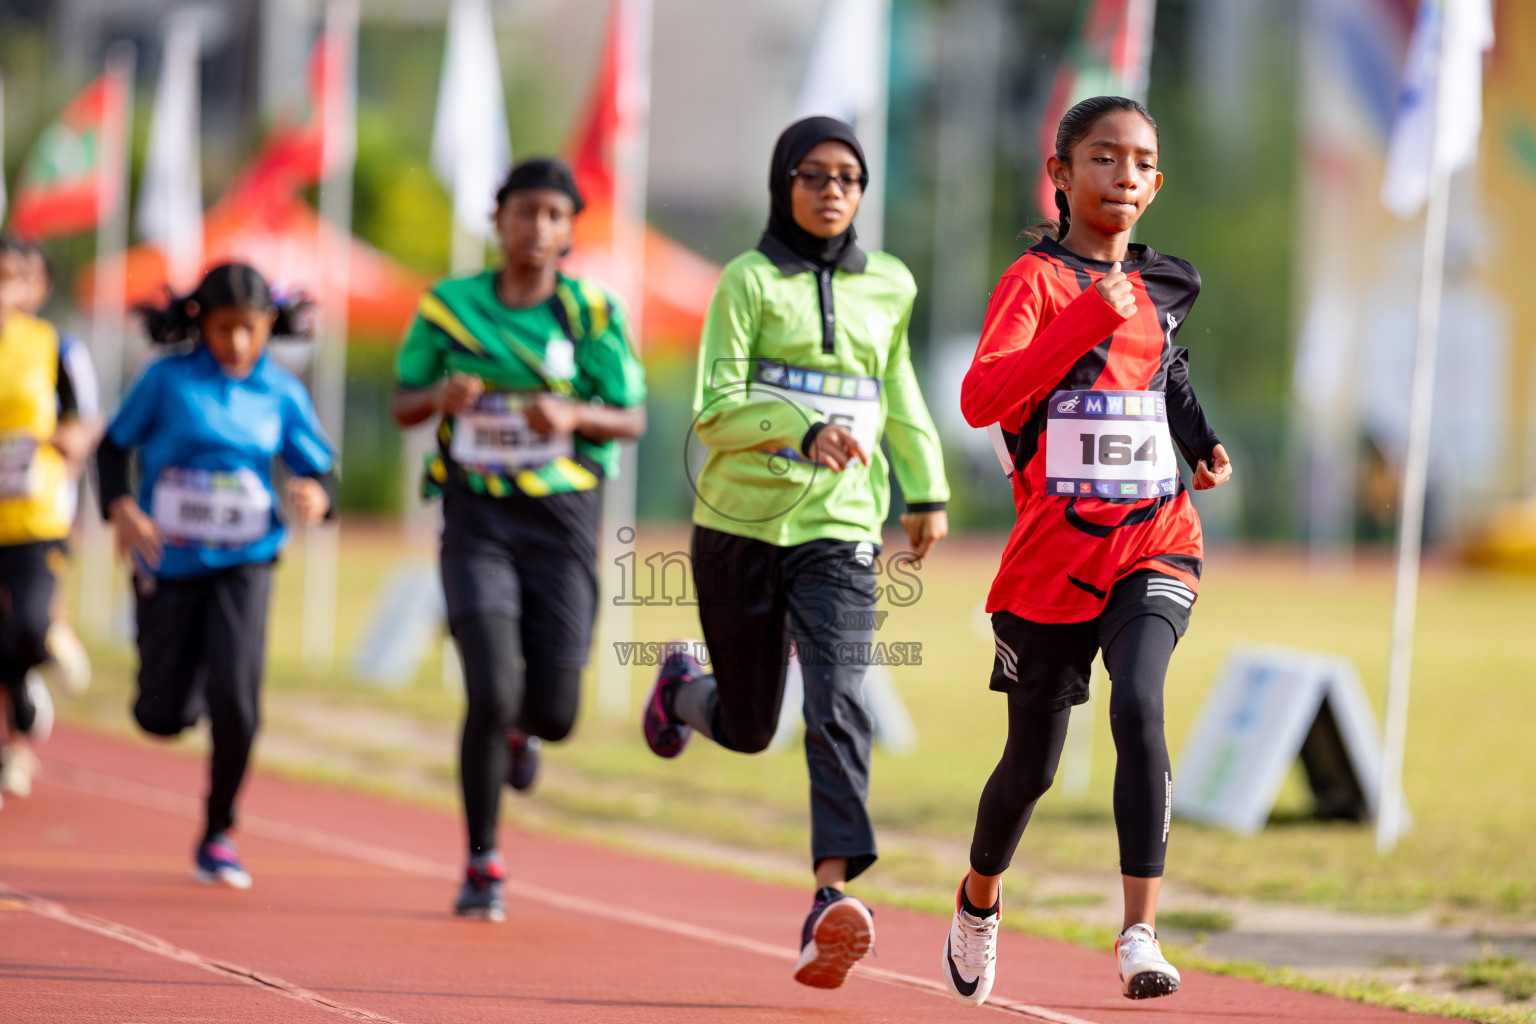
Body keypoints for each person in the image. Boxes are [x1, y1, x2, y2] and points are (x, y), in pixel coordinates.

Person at [640, 117, 949, 989]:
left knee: (838, 702)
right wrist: (800, 430)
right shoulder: (747, 280)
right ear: (784, 184)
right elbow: (716, 407)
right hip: (739, 529)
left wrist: (925, 489)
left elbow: (898, 391)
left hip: (842, 530)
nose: (831, 190)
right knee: (747, 725)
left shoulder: (889, 284)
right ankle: (681, 692)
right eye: (811, 174)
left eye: (848, 176)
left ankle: (829, 900)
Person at [938, 96, 1233, 1007]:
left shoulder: (1168, 283)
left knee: (1139, 703)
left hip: (1154, 536)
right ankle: (979, 899)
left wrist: (1200, 439)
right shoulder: (1031, 282)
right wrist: (1078, 322)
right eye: (1104, 159)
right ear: (1061, 175)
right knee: (1032, 766)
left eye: (1142, 161)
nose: (1126, 176)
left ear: (1156, 182)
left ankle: (1140, 932)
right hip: (1050, 563)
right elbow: (981, 397)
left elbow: (1165, 366)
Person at [390, 157, 646, 922]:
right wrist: (441, 394)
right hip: (477, 517)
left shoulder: (590, 313)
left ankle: (523, 735)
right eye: (523, 211)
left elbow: (629, 416)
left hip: (563, 520)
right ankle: (482, 862)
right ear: (497, 220)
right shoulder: (449, 308)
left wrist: (572, 416)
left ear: (569, 229)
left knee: (555, 712)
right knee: (491, 691)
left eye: (553, 215)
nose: (536, 227)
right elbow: (404, 402)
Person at [95, 263, 336, 888]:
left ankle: (219, 830)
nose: (236, 345)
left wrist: (318, 497)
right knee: (160, 716)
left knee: (238, 699)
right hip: (168, 561)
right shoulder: (168, 381)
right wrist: (120, 508)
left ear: (269, 327)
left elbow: (320, 467)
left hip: (245, 561)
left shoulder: (282, 392)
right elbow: (113, 447)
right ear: (202, 322)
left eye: (250, 331)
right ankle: (188, 687)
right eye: (225, 329)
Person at [0, 235, 92, 808]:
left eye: (14, 277)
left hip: (37, 518)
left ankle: (25, 676)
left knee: (29, 625)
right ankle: (17, 744)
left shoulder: (56, 348)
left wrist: (55, 440)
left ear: (38, 287)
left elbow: (85, 428)